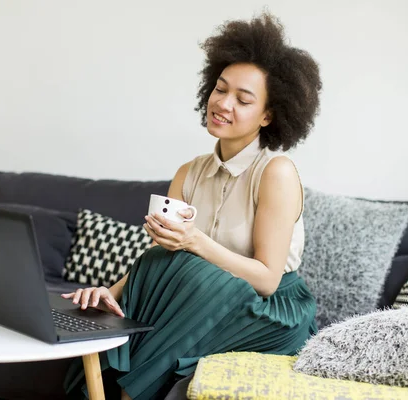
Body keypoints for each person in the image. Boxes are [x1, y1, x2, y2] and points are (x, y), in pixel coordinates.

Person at [62, 10, 322, 400]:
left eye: (243, 99)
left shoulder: (276, 173)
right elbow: (159, 257)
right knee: (169, 264)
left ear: (268, 114)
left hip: (270, 309)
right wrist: (109, 293)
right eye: (220, 88)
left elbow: (267, 279)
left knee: (189, 269)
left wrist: (193, 242)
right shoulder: (189, 172)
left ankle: (132, 390)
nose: (223, 103)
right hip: (199, 295)